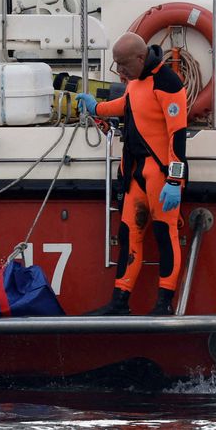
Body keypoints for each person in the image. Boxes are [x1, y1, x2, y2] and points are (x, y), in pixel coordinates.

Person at [76, 32, 188, 316]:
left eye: (123, 65)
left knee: (165, 234)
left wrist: (175, 179)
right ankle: (120, 301)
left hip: (161, 174)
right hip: (135, 172)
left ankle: (164, 304)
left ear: (140, 58)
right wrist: (95, 107)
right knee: (128, 235)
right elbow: (127, 106)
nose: (120, 71)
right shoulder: (135, 82)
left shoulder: (168, 83)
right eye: (117, 66)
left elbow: (178, 134)